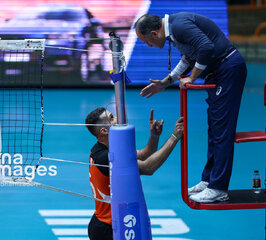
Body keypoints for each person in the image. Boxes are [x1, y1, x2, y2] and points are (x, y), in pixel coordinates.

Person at [134, 13, 247, 203]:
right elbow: (188, 58)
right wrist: (165, 82)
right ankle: (209, 180)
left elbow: (206, 47)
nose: (149, 46)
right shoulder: (174, 31)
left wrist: (193, 77)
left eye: (147, 42)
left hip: (228, 69)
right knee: (214, 129)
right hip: (218, 72)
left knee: (222, 131)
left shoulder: (178, 26)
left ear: (154, 33)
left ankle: (218, 188)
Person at [85, 107, 183, 240]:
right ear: (104, 131)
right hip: (107, 229)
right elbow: (148, 168)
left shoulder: (106, 148)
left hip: (107, 223)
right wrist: (175, 137)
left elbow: (143, 155)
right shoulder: (105, 157)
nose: (118, 118)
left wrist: (154, 136)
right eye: (112, 118)